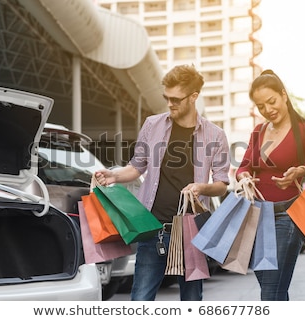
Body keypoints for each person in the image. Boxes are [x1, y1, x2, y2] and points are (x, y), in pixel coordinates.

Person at [95, 64, 230, 301]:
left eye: (176, 99)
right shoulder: (152, 125)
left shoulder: (215, 135)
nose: (170, 104)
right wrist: (114, 176)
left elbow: (221, 183)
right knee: (140, 300)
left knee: (191, 300)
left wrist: (201, 188)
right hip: (152, 228)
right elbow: (137, 166)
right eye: (167, 98)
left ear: (193, 97)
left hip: (191, 232)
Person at [236, 69, 305, 301]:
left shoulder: (304, 129)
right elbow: (243, 167)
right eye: (261, 106)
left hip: (288, 216)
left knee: (270, 289)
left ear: (284, 95)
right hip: (257, 216)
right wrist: (244, 178)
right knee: (274, 290)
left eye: (271, 102)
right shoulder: (258, 132)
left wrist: (301, 170)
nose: (268, 110)